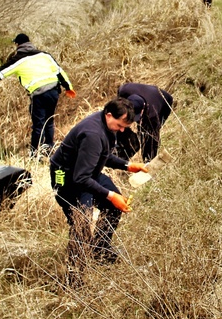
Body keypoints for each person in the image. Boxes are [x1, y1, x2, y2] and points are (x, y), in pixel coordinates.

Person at [49, 97, 148, 273]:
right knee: (81, 222)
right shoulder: (93, 134)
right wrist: (110, 195)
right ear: (109, 115)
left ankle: (99, 250)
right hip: (64, 175)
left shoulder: (108, 125)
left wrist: (128, 166)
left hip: (86, 172)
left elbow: (102, 155)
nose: (122, 129)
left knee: (114, 207)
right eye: (120, 125)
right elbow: (80, 179)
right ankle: (74, 276)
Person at [0, 34, 76, 157]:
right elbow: (59, 71)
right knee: (49, 121)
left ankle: (34, 154)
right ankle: (49, 148)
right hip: (54, 90)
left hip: (39, 93)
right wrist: (68, 87)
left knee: (38, 125)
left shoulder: (18, 60)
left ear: (17, 45)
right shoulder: (44, 55)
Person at [114, 82, 174, 163]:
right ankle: (116, 152)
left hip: (164, 102)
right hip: (146, 93)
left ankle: (148, 162)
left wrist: (148, 162)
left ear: (142, 110)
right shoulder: (124, 91)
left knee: (148, 136)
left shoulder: (152, 114)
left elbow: (152, 140)